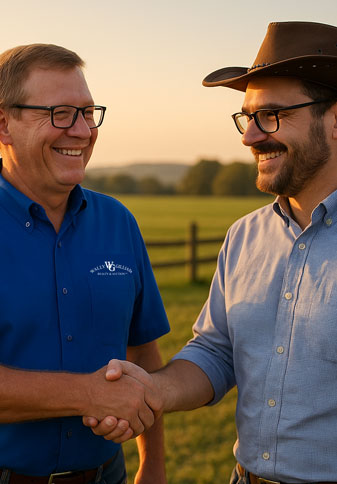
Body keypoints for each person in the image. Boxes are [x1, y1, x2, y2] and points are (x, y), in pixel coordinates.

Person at [85, 21, 337, 483]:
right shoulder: (245, 236)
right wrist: (154, 390)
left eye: (273, 116)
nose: (250, 137)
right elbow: (217, 352)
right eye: (247, 117)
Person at [0, 43, 170, 484]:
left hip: (105, 475)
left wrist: (153, 465)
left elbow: (142, 355)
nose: (81, 130)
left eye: (88, 112)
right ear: (4, 124)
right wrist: (88, 395)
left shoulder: (118, 222)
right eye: (59, 113)